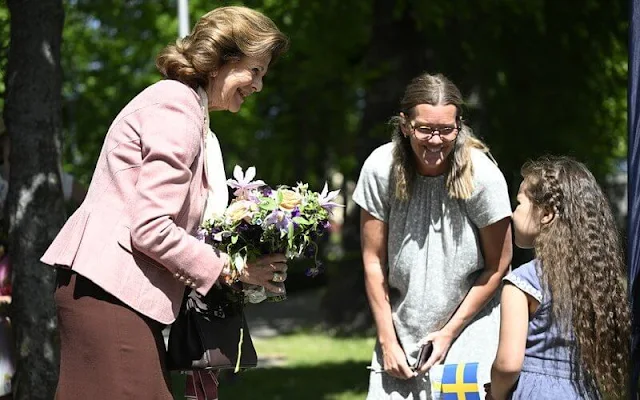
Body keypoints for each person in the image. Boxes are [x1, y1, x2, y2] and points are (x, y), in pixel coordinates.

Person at [40, 6, 289, 399]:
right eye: (254, 70)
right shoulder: (177, 107)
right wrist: (231, 269)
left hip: (111, 294)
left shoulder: (186, 109)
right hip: (108, 293)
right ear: (219, 60)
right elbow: (151, 228)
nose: (258, 85)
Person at [353, 72, 513, 399]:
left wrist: (449, 332)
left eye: (446, 130)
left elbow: (499, 265)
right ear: (405, 125)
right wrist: (387, 340)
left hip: (471, 329)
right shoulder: (379, 168)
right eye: (425, 129)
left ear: (459, 126)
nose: (436, 141)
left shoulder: (483, 176)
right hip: (401, 330)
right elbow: (373, 260)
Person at [487, 156, 630, 400]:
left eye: (519, 204)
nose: (512, 214)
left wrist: (496, 395)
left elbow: (508, 365)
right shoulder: (595, 282)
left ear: (547, 214)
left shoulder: (524, 281)